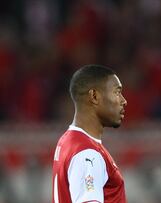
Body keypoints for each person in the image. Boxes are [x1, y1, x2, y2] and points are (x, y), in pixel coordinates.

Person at [52, 64, 128, 203]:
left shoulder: (69, 141)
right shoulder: (87, 153)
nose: (124, 101)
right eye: (117, 92)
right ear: (94, 96)